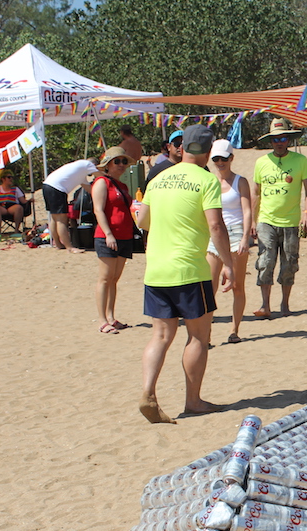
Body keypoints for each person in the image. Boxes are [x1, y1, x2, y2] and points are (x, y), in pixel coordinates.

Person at [136, 125, 233, 424]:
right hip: (190, 269)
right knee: (198, 337)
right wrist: (228, 263)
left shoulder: (159, 177)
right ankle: (193, 401)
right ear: (206, 152)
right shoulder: (206, 180)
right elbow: (215, 225)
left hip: (156, 269)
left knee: (161, 336)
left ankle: (148, 392)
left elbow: (143, 219)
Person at [251, 118, 307, 319]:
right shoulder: (261, 162)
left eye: (283, 138)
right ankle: (265, 305)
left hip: (291, 222)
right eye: (275, 139)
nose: (279, 142)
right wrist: (252, 221)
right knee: (266, 260)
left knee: (289, 264)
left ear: (289, 139)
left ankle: (285, 305)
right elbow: (255, 193)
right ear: (270, 141)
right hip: (266, 220)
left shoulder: (300, 161)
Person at [207, 139, 253, 343]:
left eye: (223, 158)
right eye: (216, 159)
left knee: (238, 286)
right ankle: (205, 333)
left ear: (231, 158)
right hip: (214, 234)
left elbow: (247, 210)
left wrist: (245, 237)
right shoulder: (209, 181)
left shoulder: (240, 181)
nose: (220, 162)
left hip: (235, 234)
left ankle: (234, 330)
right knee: (210, 286)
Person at [92, 147, 136, 334]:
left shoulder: (123, 186)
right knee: (105, 278)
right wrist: (108, 234)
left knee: (114, 279)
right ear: (108, 164)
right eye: (117, 161)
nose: (121, 165)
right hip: (107, 236)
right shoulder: (102, 182)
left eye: (124, 162)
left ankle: (111, 316)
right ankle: (102, 320)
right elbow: (98, 209)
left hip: (124, 235)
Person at [42, 157, 98, 253]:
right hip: (57, 189)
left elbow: (90, 190)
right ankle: (69, 247)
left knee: (54, 218)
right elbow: (102, 176)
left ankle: (58, 244)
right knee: (62, 220)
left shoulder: (80, 172)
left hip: (47, 185)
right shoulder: (87, 164)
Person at [0, 170, 29, 235]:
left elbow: (23, 201)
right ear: (3, 179)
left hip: (12, 207)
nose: (11, 179)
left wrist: (29, 201)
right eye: (9, 177)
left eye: (12, 177)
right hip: (1, 207)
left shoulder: (15, 189)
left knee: (19, 208)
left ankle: (16, 230)